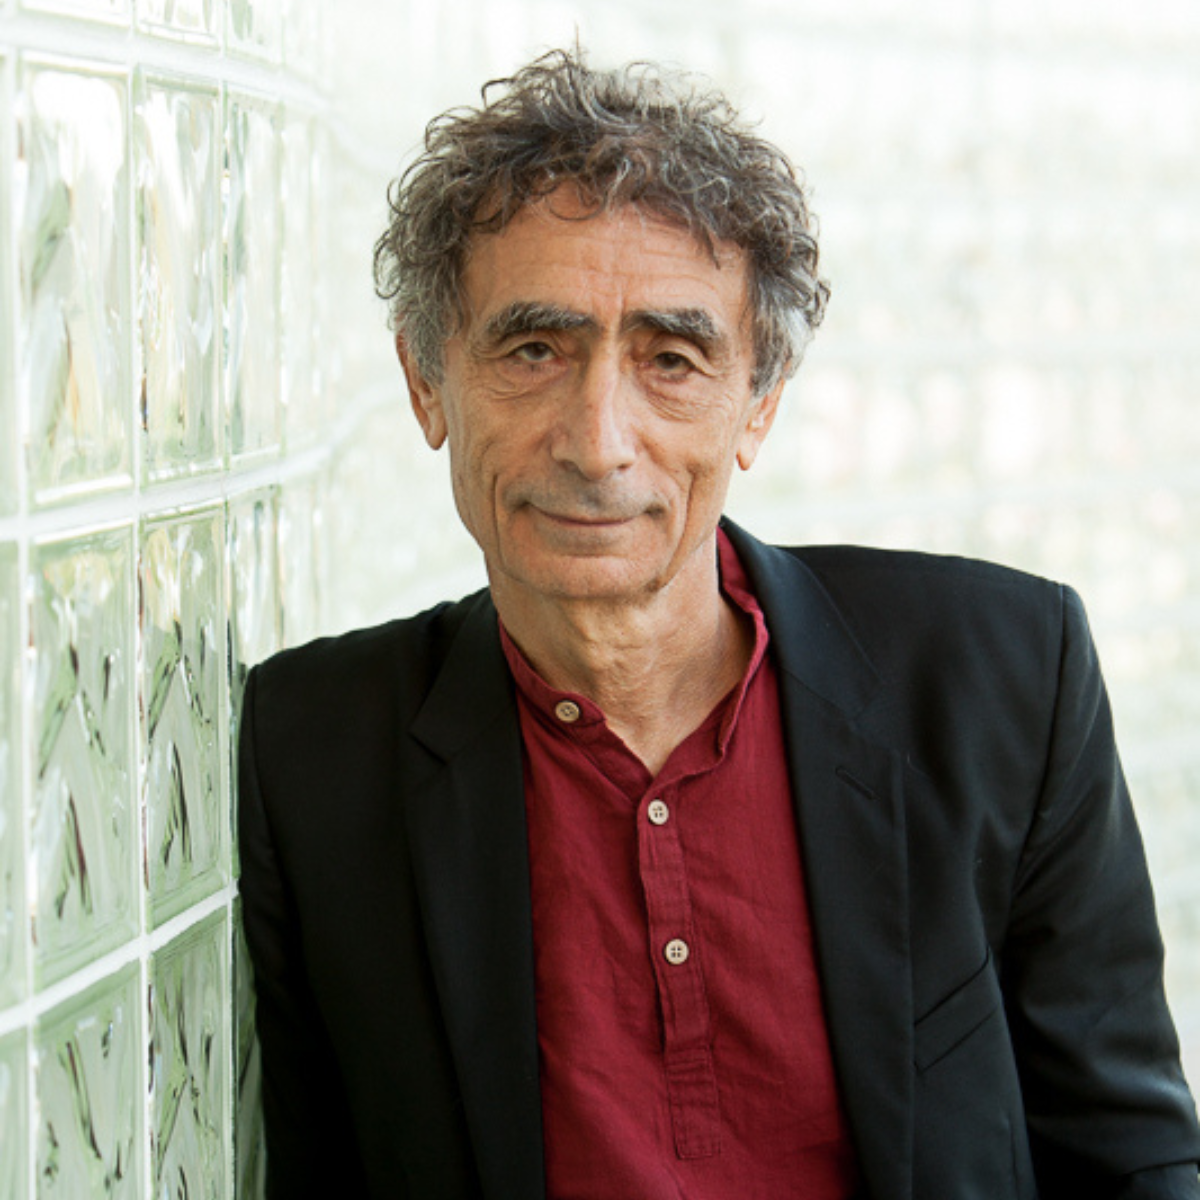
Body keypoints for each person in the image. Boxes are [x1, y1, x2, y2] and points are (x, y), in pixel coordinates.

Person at [237, 49, 1200, 1199]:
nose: (598, 443)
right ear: (426, 383)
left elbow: (1130, 1155)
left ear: (760, 403)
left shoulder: (1001, 676)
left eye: (672, 360)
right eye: (534, 350)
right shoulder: (310, 751)